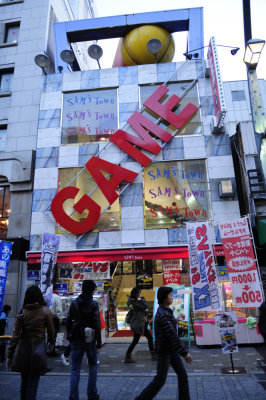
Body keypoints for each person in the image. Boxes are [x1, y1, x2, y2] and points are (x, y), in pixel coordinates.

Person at [135, 286, 192, 400]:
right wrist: (184, 352)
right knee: (160, 380)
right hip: (165, 351)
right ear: (164, 298)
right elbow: (171, 335)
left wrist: (176, 320)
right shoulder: (164, 313)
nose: (172, 297)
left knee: (182, 375)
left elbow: (168, 328)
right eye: (170, 295)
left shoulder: (165, 311)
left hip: (171, 350)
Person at [6, 286, 54, 400]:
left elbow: (15, 335)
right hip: (39, 350)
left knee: (24, 383)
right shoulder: (45, 311)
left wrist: (10, 354)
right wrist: (51, 344)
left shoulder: (22, 312)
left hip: (24, 351)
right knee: (33, 385)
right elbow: (52, 332)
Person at [66, 280, 101, 400]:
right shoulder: (94, 304)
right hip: (89, 338)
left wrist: (69, 336)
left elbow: (68, 320)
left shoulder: (74, 303)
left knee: (75, 368)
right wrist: (99, 343)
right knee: (92, 366)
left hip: (76, 338)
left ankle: (73, 396)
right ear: (92, 290)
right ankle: (92, 393)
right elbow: (97, 324)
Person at [124, 287, 156, 363]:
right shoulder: (135, 302)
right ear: (136, 294)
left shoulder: (135, 301)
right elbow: (146, 306)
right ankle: (128, 356)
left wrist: (140, 299)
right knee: (137, 340)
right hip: (138, 324)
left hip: (141, 323)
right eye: (139, 293)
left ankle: (153, 354)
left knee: (148, 338)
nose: (140, 294)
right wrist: (141, 298)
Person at [48, 283, 63, 356]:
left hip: (47, 318)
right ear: (57, 289)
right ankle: (52, 351)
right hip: (54, 319)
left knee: (49, 334)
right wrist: (60, 319)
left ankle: (49, 349)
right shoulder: (57, 297)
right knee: (54, 335)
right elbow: (59, 310)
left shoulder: (47, 296)